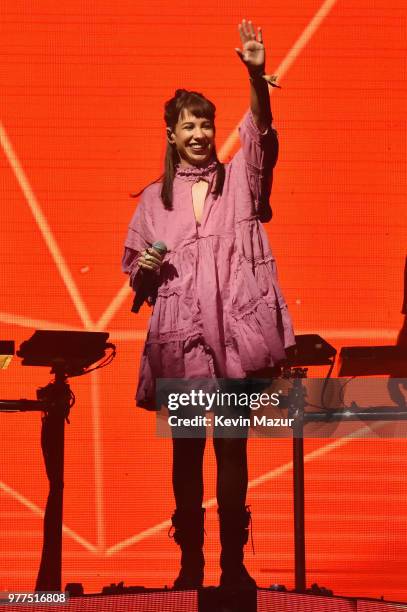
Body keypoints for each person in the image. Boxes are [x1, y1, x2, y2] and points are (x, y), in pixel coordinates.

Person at [122, 19, 295, 590]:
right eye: (188, 124)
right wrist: (144, 271)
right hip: (184, 343)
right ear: (171, 133)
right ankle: (189, 564)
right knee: (187, 456)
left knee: (234, 451)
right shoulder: (154, 199)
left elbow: (260, 134)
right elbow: (138, 283)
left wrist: (254, 77)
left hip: (236, 341)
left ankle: (232, 564)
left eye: (205, 123)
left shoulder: (238, 181)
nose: (199, 131)